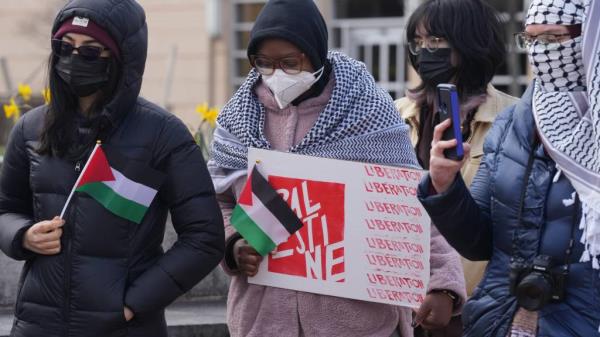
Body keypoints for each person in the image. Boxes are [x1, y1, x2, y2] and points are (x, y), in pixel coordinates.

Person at [208, 1, 466, 336]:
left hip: (357, 321)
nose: (277, 75)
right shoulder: (239, 118)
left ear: (315, 55)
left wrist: (443, 284)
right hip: (264, 320)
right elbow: (218, 201)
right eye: (264, 64)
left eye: (290, 62)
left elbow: (411, 204)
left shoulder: (366, 112)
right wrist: (233, 244)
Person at [0, 1, 225, 336]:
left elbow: (204, 238)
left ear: (122, 57)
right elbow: (6, 208)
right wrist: (22, 235)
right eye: (65, 47)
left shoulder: (164, 134)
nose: (74, 59)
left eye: (91, 51)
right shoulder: (31, 128)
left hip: (124, 327)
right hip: (38, 324)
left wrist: (133, 303)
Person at [417, 0, 600, 336]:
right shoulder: (511, 127)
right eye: (531, 40)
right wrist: (445, 187)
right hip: (503, 322)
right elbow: (480, 243)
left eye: (553, 40)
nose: (540, 54)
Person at [394, 0, 518, 335]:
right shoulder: (392, 117)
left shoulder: (516, 122)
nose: (424, 52)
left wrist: (448, 289)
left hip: (479, 312)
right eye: (417, 43)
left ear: (470, 43)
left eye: (435, 42)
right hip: (399, 307)